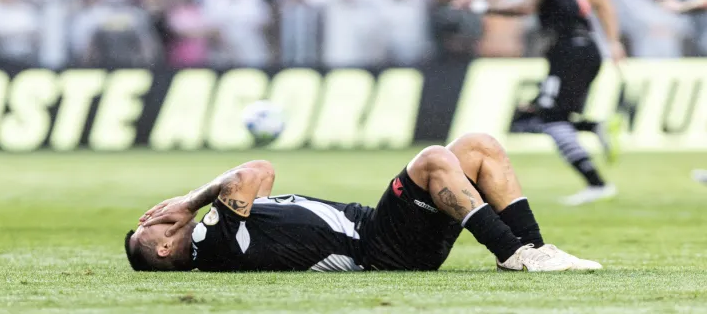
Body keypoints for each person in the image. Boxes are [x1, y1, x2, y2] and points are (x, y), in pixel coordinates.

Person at [125, 133, 602, 272]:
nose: (156, 216)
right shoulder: (213, 242)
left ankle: (533, 248)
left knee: (478, 148)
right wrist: (189, 202)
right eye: (151, 226)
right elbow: (252, 172)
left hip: (386, 236)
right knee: (436, 158)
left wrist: (198, 203)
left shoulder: (231, 232)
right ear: (166, 248)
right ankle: (516, 255)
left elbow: (259, 180)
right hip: (381, 249)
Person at [452, 0, 625, 206]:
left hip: (570, 49)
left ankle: (597, 183)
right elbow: (602, 0)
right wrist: (613, 41)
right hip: (580, 48)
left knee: (551, 118)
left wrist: (478, 5)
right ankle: (595, 128)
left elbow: (525, 6)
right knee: (528, 117)